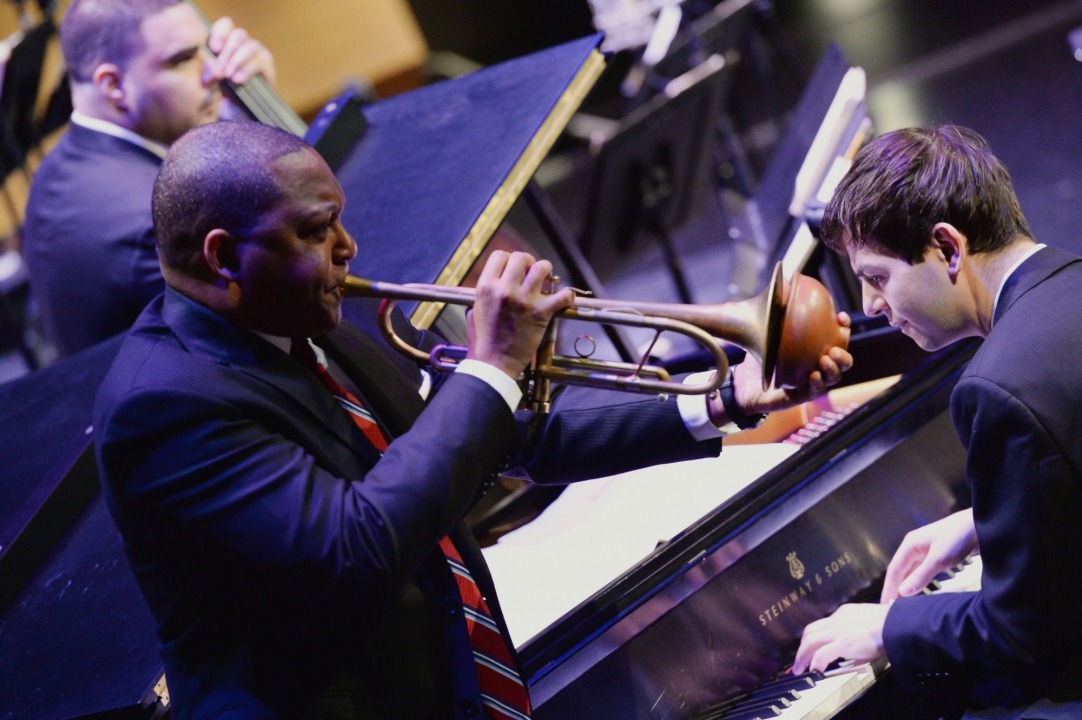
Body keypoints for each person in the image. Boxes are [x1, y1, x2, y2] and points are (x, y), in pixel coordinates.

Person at [93, 119, 853, 719]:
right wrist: (492, 364)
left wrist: (721, 401)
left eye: (340, 222)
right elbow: (359, 544)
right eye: (315, 232)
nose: (347, 249)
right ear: (224, 256)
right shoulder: (163, 406)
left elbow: (505, 438)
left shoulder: (309, 326)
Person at [791, 125, 1082, 718]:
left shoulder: (997, 386)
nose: (870, 306)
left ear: (948, 248)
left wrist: (892, 625)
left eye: (876, 277)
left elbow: (1022, 635)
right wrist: (986, 521)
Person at [21, 0, 276, 357]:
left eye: (207, 48)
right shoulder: (160, 224)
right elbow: (273, 332)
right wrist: (268, 133)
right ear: (113, 85)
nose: (214, 72)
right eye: (183, 59)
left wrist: (247, 106)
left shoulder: (61, 168)